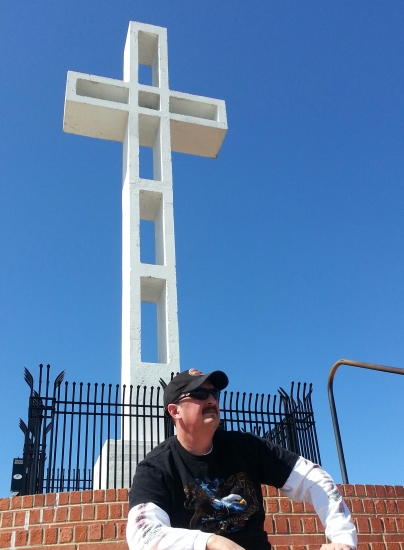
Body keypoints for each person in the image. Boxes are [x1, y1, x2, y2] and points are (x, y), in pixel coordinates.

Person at [127, 369, 357, 550]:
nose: (211, 400)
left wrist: (343, 538)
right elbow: (143, 534)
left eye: (214, 393)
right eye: (199, 394)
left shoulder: (246, 447)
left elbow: (313, 478)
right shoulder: (155, 468)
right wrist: (210, 542)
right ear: (174, 411)